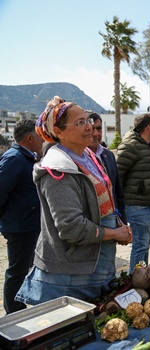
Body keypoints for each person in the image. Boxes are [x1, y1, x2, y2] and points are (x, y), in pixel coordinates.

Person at [15, 96, 132, 305]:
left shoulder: (88, 155)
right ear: (58, 132)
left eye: (87, 120)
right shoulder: (57, 169)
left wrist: (118, 225)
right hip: (70, 277)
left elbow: (102, 205)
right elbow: (71, 227)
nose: (89, 127)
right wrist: (113, 233)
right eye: (80, 123)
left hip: (97, 265)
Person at [0, 120, 44, 313]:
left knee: (25, 269)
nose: (43, 140)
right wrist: (7, 222)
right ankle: (13, 312)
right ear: (29, 138)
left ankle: (21, 307)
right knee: (17, 271)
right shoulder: (14, 159)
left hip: (29, 224)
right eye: (39, 136)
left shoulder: (27, 158)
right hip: (20, 226)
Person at [116, 114, 150, 272]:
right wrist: (120, 204)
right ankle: (135, 282)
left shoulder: (149, 146)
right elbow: (117, 175)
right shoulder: (131, 146)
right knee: (140, 245)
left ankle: (143, 278)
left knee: (145, 245)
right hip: (138, 206)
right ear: (148, 128)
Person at [87, 111, 127, 224]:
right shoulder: (78, 157)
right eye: (91, 129)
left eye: (99, 129)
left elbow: (118, 192)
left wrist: (122, 222)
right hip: (90, 225)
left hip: (111, 222)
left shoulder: (108, 155)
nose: (95, 133)